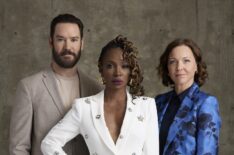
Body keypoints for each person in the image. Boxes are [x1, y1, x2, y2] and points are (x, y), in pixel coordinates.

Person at [41, 35, 159, 155]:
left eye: (124, 66)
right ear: (101, 69)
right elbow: (49, 143)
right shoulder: (84, 108)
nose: (117, 72)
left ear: (131, 70)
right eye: (110, 66)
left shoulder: (146, 106)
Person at [9, 14, 102, 155]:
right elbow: (18, 148)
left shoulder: (96, 89)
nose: (67, 47)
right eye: (60, 39)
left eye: (74, 40)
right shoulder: (29, 88)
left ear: (82, 44)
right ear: (51, 42)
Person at [155, 38, 221, 155]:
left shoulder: (206, 103)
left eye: (186, 61)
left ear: (196, 66)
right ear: (167, 69)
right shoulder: (158, 102)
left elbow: (207, 152)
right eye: (172, 61)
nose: (179, 67)